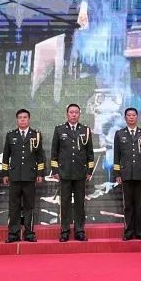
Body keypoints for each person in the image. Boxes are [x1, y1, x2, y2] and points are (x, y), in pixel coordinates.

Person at [50, 103, 94, 242]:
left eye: (76, 112)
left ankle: (79, 231)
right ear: (67, 114)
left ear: (79, 114)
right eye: (71, 112)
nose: (74, 114)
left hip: (80, 172)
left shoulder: (85, 130)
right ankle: (65, 231)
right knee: (65, 203)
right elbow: (54, 152)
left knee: (80, 204)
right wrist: (55, 170)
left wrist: (89, 170)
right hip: (65, 172)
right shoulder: (59, 129)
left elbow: (90, 153)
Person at [3, 109, 46, 243]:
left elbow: (40, 156)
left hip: (30, 176)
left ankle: (29, 233)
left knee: (29, 206)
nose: (22, 119)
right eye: (20, 117)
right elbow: (5, 156)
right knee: (14, 206)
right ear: (17, 120)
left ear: (29, 119)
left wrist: (40, 173)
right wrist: (5, 174)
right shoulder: (11, 135)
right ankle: (13, 234)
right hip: (14, 176)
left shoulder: (36, 135)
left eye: (25, 117)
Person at [113, 107, 141, 240]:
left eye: (133, 115)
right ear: (125, 118)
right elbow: (116, 155)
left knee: (139, 205)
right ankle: (128, 232)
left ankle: (140, 232)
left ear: (137, 117)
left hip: (140, 173)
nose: (131, 117)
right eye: (129, 115)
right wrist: (117, 174)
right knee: (128, 205)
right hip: (126, 174)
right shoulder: (119, 134)